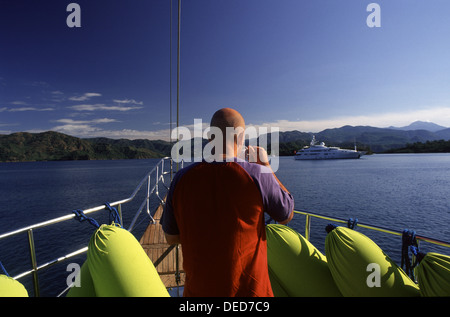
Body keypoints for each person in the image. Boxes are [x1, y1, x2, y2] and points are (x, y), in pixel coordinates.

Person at [161, 108, 294, 297]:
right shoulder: (256, 174)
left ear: (210, 138)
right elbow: (286, 215)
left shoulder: (181, 179)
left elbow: (171, 238)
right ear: (240, 137)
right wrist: (265, 167)